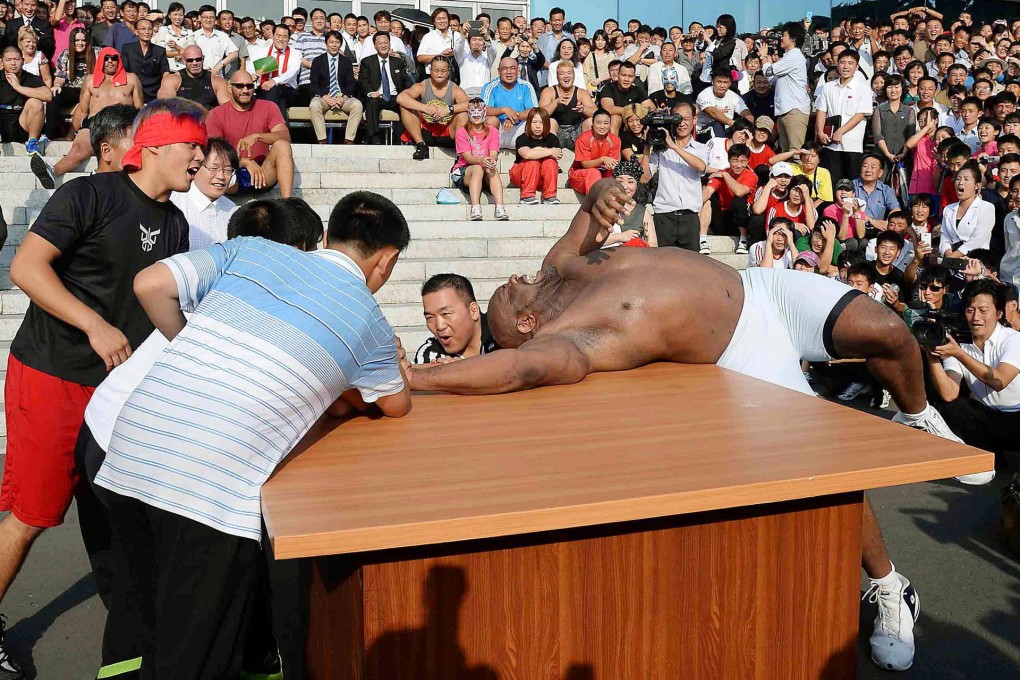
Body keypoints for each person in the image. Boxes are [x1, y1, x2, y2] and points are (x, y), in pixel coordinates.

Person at [402, 177, 988, 672]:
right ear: (525, 323)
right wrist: (414, 381)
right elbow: (513, 369)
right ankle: (889, 585)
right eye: (503, 302)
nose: (502, 287)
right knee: (824, 473)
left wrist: (603, 193)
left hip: (764, 289)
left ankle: (918, 416)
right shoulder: (566, 342)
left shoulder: (557, 268)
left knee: (890, 331)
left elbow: (591, 212)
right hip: (740, 350)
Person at [86, 190, 410, 680]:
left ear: (325, 236)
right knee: (197, 657)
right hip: (206, 489)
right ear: (386, 261)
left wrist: (193, 345)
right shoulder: (369, 321)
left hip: (128, 452)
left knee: (153, 626)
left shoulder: (256, 250)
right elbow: (397, 404)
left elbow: (150, 284)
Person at [0, 98, 205, 680]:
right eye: (192, 145)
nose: (201, 156)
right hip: (52, 374)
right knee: (32, 514)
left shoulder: (178, 223)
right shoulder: (87, 195)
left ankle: (133, 642)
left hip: (120, 391)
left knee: (119, 513)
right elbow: (26, 269)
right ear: (158, 145)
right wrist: (93, 322)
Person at [927, 278, 1020, 458]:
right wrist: (931, 354)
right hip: (986, 416)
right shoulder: (959, 342)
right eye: (970, 310)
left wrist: (959, 354)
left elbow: (999, 380)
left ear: (999, 313)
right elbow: (949, 393)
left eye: (983, 311)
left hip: (1016, 416)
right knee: (952, 408)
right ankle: (990, 457)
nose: (976, 318)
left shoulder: (1013, 339)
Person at [38, 46, 142, 186]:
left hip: (121, 125)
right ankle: (52, 171)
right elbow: (82, 109)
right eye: (106, 58)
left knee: (126, 154)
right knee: (77, 151)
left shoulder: (131, 79)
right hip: (94, 124)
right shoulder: (90, 80)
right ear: (100, 61)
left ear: (119, 60)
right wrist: (70, 134)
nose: (110, 62)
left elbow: (139, 108)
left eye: (114, 58)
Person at [207, 69, 294, 198]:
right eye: (240, 86)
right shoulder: (216, 114)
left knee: (282, 145)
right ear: (230, 88)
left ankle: (287, 203)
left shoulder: (269, 107)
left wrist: (258, 136)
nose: (245, 90)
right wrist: (246, 162)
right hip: (232, 172)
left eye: (249, 86)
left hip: (263, 172)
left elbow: (285, 136)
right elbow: (215, 152)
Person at [644, 100, 708, 251]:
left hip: (690, 217)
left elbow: (701, 166)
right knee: (662, 265)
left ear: (695, 120)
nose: (681, 124)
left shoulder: (701, 148)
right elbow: (644, 178)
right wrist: (646, 147)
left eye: (685, 119)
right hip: (664, 216)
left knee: (690, 266)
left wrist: (673, 147)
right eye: (677, 119)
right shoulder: (660, 149)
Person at [815, 49, 873, 187]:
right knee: (831, 182)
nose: (846, 66)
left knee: (850, 183)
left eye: (850, 63)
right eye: (842, 62)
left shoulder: (863, 88)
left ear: (856, 67)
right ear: (837, 64)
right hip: (830, 144)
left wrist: (841, 131)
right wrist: (820, 132)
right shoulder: (828, 87)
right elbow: (822, 110)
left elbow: (860, 114)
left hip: (852, 144)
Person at [169, 136, 238, 250]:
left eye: (227, 170)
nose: (221, 176)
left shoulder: (231, 209)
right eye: (213, 168)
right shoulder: (176, 204)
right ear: (197, 167)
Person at [414, 273, 499, 364]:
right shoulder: (431, 355)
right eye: (430, 317)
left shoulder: (501, 336)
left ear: (473, 311)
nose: (439, 326)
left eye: (446, 314)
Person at [398, 55, 468, 160]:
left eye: (443, 71)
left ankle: (461, 153)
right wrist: (426, 108)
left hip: (447, 131)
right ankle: (421, 145)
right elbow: (401, 98)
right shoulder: (422, 86)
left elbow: (471, 104)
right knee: (405, 106)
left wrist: (448, 109)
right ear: (430, 70)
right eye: (436, 70)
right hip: (426, 130)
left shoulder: (455, 89)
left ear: (448, 72)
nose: (439, 74)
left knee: (463, 114)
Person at [759, 21, 810, 152]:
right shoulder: (788, 58)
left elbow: (768, 71)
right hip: (784, 111)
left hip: (794, 110)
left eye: (784, 35)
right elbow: (772, 80)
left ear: (793, 39)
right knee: (786, 153)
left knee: (796, 152)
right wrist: (768, 62)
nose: (781, 38)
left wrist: (764, 56)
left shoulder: (794, 56)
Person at [452, 97, 505, 222]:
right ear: (468, 113)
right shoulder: (462, 132)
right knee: (477, 168)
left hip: (485, 168)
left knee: (491, 168)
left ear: (485, 112)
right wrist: (481, 160)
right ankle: (475, 207)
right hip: (463, 171)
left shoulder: (492, 131)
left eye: (479, 110)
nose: (476, 114)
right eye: (473, 110)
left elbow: (493, 153)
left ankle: (500, 206)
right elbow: (468, 157)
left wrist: (491, 160)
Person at [308, 30, 362, 146]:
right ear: (326, 43)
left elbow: (351, 83)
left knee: (357, 105)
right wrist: (325, 97)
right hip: (324, 96)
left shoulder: (346, 61)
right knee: (314, 105)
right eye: (331, 42)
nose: (334, 45)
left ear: (340, 44)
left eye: (337, 42)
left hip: (341, 96)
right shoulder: (318, 61)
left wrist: (343, 97)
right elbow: (314, 83)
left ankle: (349, 139)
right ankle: (322, 139)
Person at [701, 143, 757, 255]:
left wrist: (726, 176)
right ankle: (702, 239)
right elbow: (708, 192)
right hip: (723, 217)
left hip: (742, 219)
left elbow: (740, 192)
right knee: (707, 201)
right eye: (735, 161)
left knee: (739, 201)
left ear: (747, 161)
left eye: (743, 161)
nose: (738, 165)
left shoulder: (751, 176)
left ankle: (744, 240)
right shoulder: (721, 173)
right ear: (729, 160)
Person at [357, 31, 411, 145]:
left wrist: (406, 94)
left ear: (390, 44)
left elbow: (406, 81)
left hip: (395, 96)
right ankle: (374, 137)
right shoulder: (367, 62)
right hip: (377, 96)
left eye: (386, 42)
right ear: (375, 45)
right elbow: (363, 81)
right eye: (380, 43)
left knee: (407, 104)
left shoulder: (398, 62)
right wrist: (371, 92)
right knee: (371, 103)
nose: (383, 45)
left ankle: (405, 137)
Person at [245, 23, 301, 118]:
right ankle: (281, 128)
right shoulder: (261, 52)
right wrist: (253, 75)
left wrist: (274, 81)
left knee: (275, 91)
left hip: (288, 90)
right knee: (277, 98)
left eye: (284, 37)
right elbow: (250, 70)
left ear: (289, 38)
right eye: (278, 35)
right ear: (273, 36)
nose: (281, 39)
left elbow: (291, 73)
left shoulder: (295, 54)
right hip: (263, 89)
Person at [481, 57, 538, 149]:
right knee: (491, 120)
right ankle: (487, 154)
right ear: (499, 71)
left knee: (538, 121)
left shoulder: (526, 86)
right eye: (504, 68)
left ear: (518, 70)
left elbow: (534, 110)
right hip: (498, 131)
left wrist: (515, 117)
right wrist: (504, 110)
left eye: (512, 68)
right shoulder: (490, 87)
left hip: (519, 130)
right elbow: (483, 110)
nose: (509, 72)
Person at [45, 25, 91, 139]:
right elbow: (60, 76)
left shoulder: (97, 53)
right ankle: (50, 135)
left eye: (83, 40)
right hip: (72, 89)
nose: (80, 43)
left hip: (90, 90)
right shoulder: (65, 54)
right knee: (54, 95)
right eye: (77, 40)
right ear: (72, 41)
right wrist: (56, 85)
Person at [941, 163, 995, 257]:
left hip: (974, 261)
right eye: (958, 179)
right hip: (950, 262)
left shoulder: (986, 208)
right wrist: (948, 253)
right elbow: (945, 236)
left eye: (966, 179)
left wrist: (954, 256)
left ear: (977, 186)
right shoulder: (948, 209)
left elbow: (977, 240)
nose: (961, 182)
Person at [538, 60, 595, 150]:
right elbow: (540, 115)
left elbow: (596, 113)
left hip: (576, 132)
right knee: (551, 121)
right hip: (557, 132)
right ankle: (552, 154)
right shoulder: (548, 91)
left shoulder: (581, 93)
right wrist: (555, 102)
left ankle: (588, 155)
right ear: (557, 77)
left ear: (573, 76)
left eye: (569, 73)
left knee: (590, 121)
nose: (566, 76)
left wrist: (584, 109)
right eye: (562, 74)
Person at [510, 106, 561, 205]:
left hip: (541, 177)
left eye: (541, 122)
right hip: (521, 175)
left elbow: (557, 154)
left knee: (550, 162)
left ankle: (550, 196)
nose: (538, 126)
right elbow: (527, 154)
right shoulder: (522, 138)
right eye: (534, 122)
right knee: (532, 162)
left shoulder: (552, 138)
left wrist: (536, 151)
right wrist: (549, 151)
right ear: (529, 123)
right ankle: (527, 196)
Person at [157, 44, 230, 109]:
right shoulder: (172, 80)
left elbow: (227, 108)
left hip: (209, 120)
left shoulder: (217, 81)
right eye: (190, 60)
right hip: (182, 119)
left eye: (198, 59)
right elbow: (165, 104)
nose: (195, 63)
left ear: (203, 59)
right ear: (184, 60)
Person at [568, 108, 620, 196]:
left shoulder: (615, 140)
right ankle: (594, 204)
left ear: (610, 124)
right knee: (593, 173)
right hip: (580, 174)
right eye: (599, 123)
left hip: (603, 173)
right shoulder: (583, 138)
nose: (602, 127)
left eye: (606, 123)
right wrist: (602, 160)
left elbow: (613, 163)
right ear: (593, 124)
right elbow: (585, 164)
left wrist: (609, 164)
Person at [695, 67, 753, 139]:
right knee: (717, 125)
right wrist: (733, 123)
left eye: (725, 82)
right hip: (704, 131)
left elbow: (746, 113)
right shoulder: (704, 95)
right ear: (713, 82)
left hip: (727, 130)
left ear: (730, 84)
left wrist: (747, 124)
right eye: (719, 82)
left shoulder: (734, 96)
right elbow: (713, 112)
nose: (722, 86)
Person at [120, 17, 167, 102]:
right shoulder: (127, 48)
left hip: (154, 94)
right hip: (133, 93)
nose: (146, 32)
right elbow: (123, 71)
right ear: (136, 32)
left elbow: (165, 73)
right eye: (143, 29)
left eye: (149, 29)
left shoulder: (160, 51)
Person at [598, 60, 646, 135]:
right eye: (624, 75)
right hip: (612, 123)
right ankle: (614, 146)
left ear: (634, 78)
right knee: (616, 117)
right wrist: (632, 111)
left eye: (630, 76)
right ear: (618, 75)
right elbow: (608, 109)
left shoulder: (638, 90)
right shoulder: (608, 88)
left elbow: (650, 107)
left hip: (633, 123)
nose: (626, 79)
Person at [191, 3, 237, 76]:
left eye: (211, 17)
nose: (209, 20)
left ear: (215, 19)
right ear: (199, 18)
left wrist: (220, 65)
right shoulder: (193, 36)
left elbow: (234, 53)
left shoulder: (222, 36)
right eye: (206, 17)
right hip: (198, 76)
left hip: (217, 77)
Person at [152, 1, 192, 72]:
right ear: (169, 16)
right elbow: (160, 52)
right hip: (167, 68)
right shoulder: (163, 30)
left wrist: (177, 47)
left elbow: (191, 52)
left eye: (181, 15)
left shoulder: (189, 32)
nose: (178, 17)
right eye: (175, 14)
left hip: (185, 68)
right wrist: (180, 53)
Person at [457, 27, 493, 97]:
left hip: (484, 94)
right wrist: (462, 34)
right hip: (465, 94)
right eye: (474, 40)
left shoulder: (487, 56)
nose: (477, 43)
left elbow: (492, 50)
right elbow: (457, 49)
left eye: (480, 40)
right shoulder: (463, 56)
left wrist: (486, 37)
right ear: (469, 42)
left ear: (484, 42)